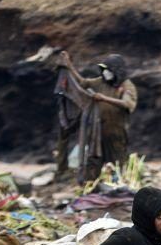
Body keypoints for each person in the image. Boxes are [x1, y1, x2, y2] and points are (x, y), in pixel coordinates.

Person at [55, 51, 138, 180]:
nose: (105, 73)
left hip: (116, 133)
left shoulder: (126, 86)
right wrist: (69, 65)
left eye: (108, 70)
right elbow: (83, 83)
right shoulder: (101, 82)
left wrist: (104, 98)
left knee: (117, 163)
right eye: (103, 69)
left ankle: (118, 186)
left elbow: (128, 104)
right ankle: (92, 185)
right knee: (94, 161)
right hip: (97, 131)